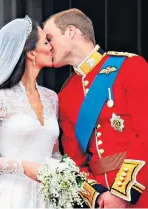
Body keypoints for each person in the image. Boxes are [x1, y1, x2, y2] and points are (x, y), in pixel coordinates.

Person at [43, 8, 148, 208]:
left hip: (140, 192)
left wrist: (121, 193)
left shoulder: (131, 67)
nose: (47, 47)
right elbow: (73, 159)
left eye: (50, 38)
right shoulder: (65, 94)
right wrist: (98, 196)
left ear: (71, 31)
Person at [0, 16, 61, 208]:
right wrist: (21, 166)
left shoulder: (52, 98)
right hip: (12, 197)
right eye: (46, 42)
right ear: (31, 53)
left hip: (48, 198)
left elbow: (55, 154)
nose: (52, 47)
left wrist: (64, 175)